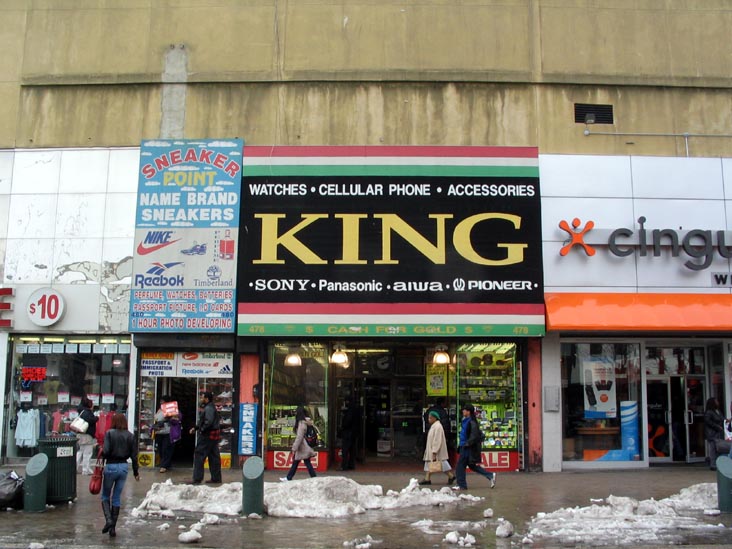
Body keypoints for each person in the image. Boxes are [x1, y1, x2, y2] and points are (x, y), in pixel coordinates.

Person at [100, 412, 139, 538]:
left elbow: (106, 451)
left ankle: (109, 520)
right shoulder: (130, 435)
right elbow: (134, 456)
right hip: (123, 467)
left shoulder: (109, 433)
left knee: (105, 496)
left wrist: (101, 451)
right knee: (116, 497)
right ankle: (113, 529)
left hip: (111, 466)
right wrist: (136, 472)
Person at [453, 404, 495, 491]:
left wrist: (467, 443)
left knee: (460, 466)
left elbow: (474, 435)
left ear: (469, 412)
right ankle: (490, 475)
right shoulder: (465, 421)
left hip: (466, 447)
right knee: (472, 466)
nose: (463, 411)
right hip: (464, 445)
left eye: (464, 410)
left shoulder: (471, 422)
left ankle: (461, 485)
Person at [189, 391, 221, 485]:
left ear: (206, 398)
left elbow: (208, 421)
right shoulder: (211, 407)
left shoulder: (208, 408)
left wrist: (202, 429)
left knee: (199, 455)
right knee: (213, 457)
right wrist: (196, 428)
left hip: (207, 435)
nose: (201, 399)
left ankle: (197, 478)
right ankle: (216, 478)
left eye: (202, 397)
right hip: (213, 435)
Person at [281, 406, 317, 481]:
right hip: (304, 446)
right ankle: (289, 477)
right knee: (301, 462)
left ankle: (289, 477)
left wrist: (294, 448)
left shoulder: (301, 423)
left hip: (303, 447)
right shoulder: (306, 422)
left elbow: (299, 437)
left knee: (299, 462)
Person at [420, 410, 456, 485]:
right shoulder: (435, 426)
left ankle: (451, 476)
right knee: (431, 464)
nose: (429, 419)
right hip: (433, 450)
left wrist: (434, 451)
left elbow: (437, 440)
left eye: (430, 418)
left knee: (441, 465)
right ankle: (427, 478)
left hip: (437, 452)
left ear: (434, 418)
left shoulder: (438, 427)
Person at [152, 395, 181, 473]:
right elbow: (156, 418)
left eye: (162, 401)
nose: (161, 402)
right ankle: (166, 464)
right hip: (159, 432)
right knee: (161, 449)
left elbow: (177, 419)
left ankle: (164, 466)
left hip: (168, 432)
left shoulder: (172, 409)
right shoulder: (159, 410)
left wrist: (171, 417)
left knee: (166, 449)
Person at [705, 397, 730, 470]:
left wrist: (726, 420)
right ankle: (713, 465)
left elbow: (722, 419)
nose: (718, 403)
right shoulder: (709, 412)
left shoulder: (718, 411)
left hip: (719, 433)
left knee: (719, 449)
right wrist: (717, 427)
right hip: (712, 433)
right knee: (713, 449)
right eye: (716, 401)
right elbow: (708, 422)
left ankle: (718, 464)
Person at [76, 398, 99, 475]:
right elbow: (90, 420)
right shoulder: (88, 412)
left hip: (81, 434)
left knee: (80, 452)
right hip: (87, 435)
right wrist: (96, 418)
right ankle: (85, 470)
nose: (93, 406)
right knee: (87, 453)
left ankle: (75, 467)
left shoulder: (82, 411)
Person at [339, 397, 361, 471]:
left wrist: (343, 426)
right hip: (354, 433)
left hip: (348, 433)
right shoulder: (357, 410)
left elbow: (347, 422)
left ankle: (344, 466)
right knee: (352, 450)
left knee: (345, 450)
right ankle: (351, 465)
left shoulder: (349, 411)